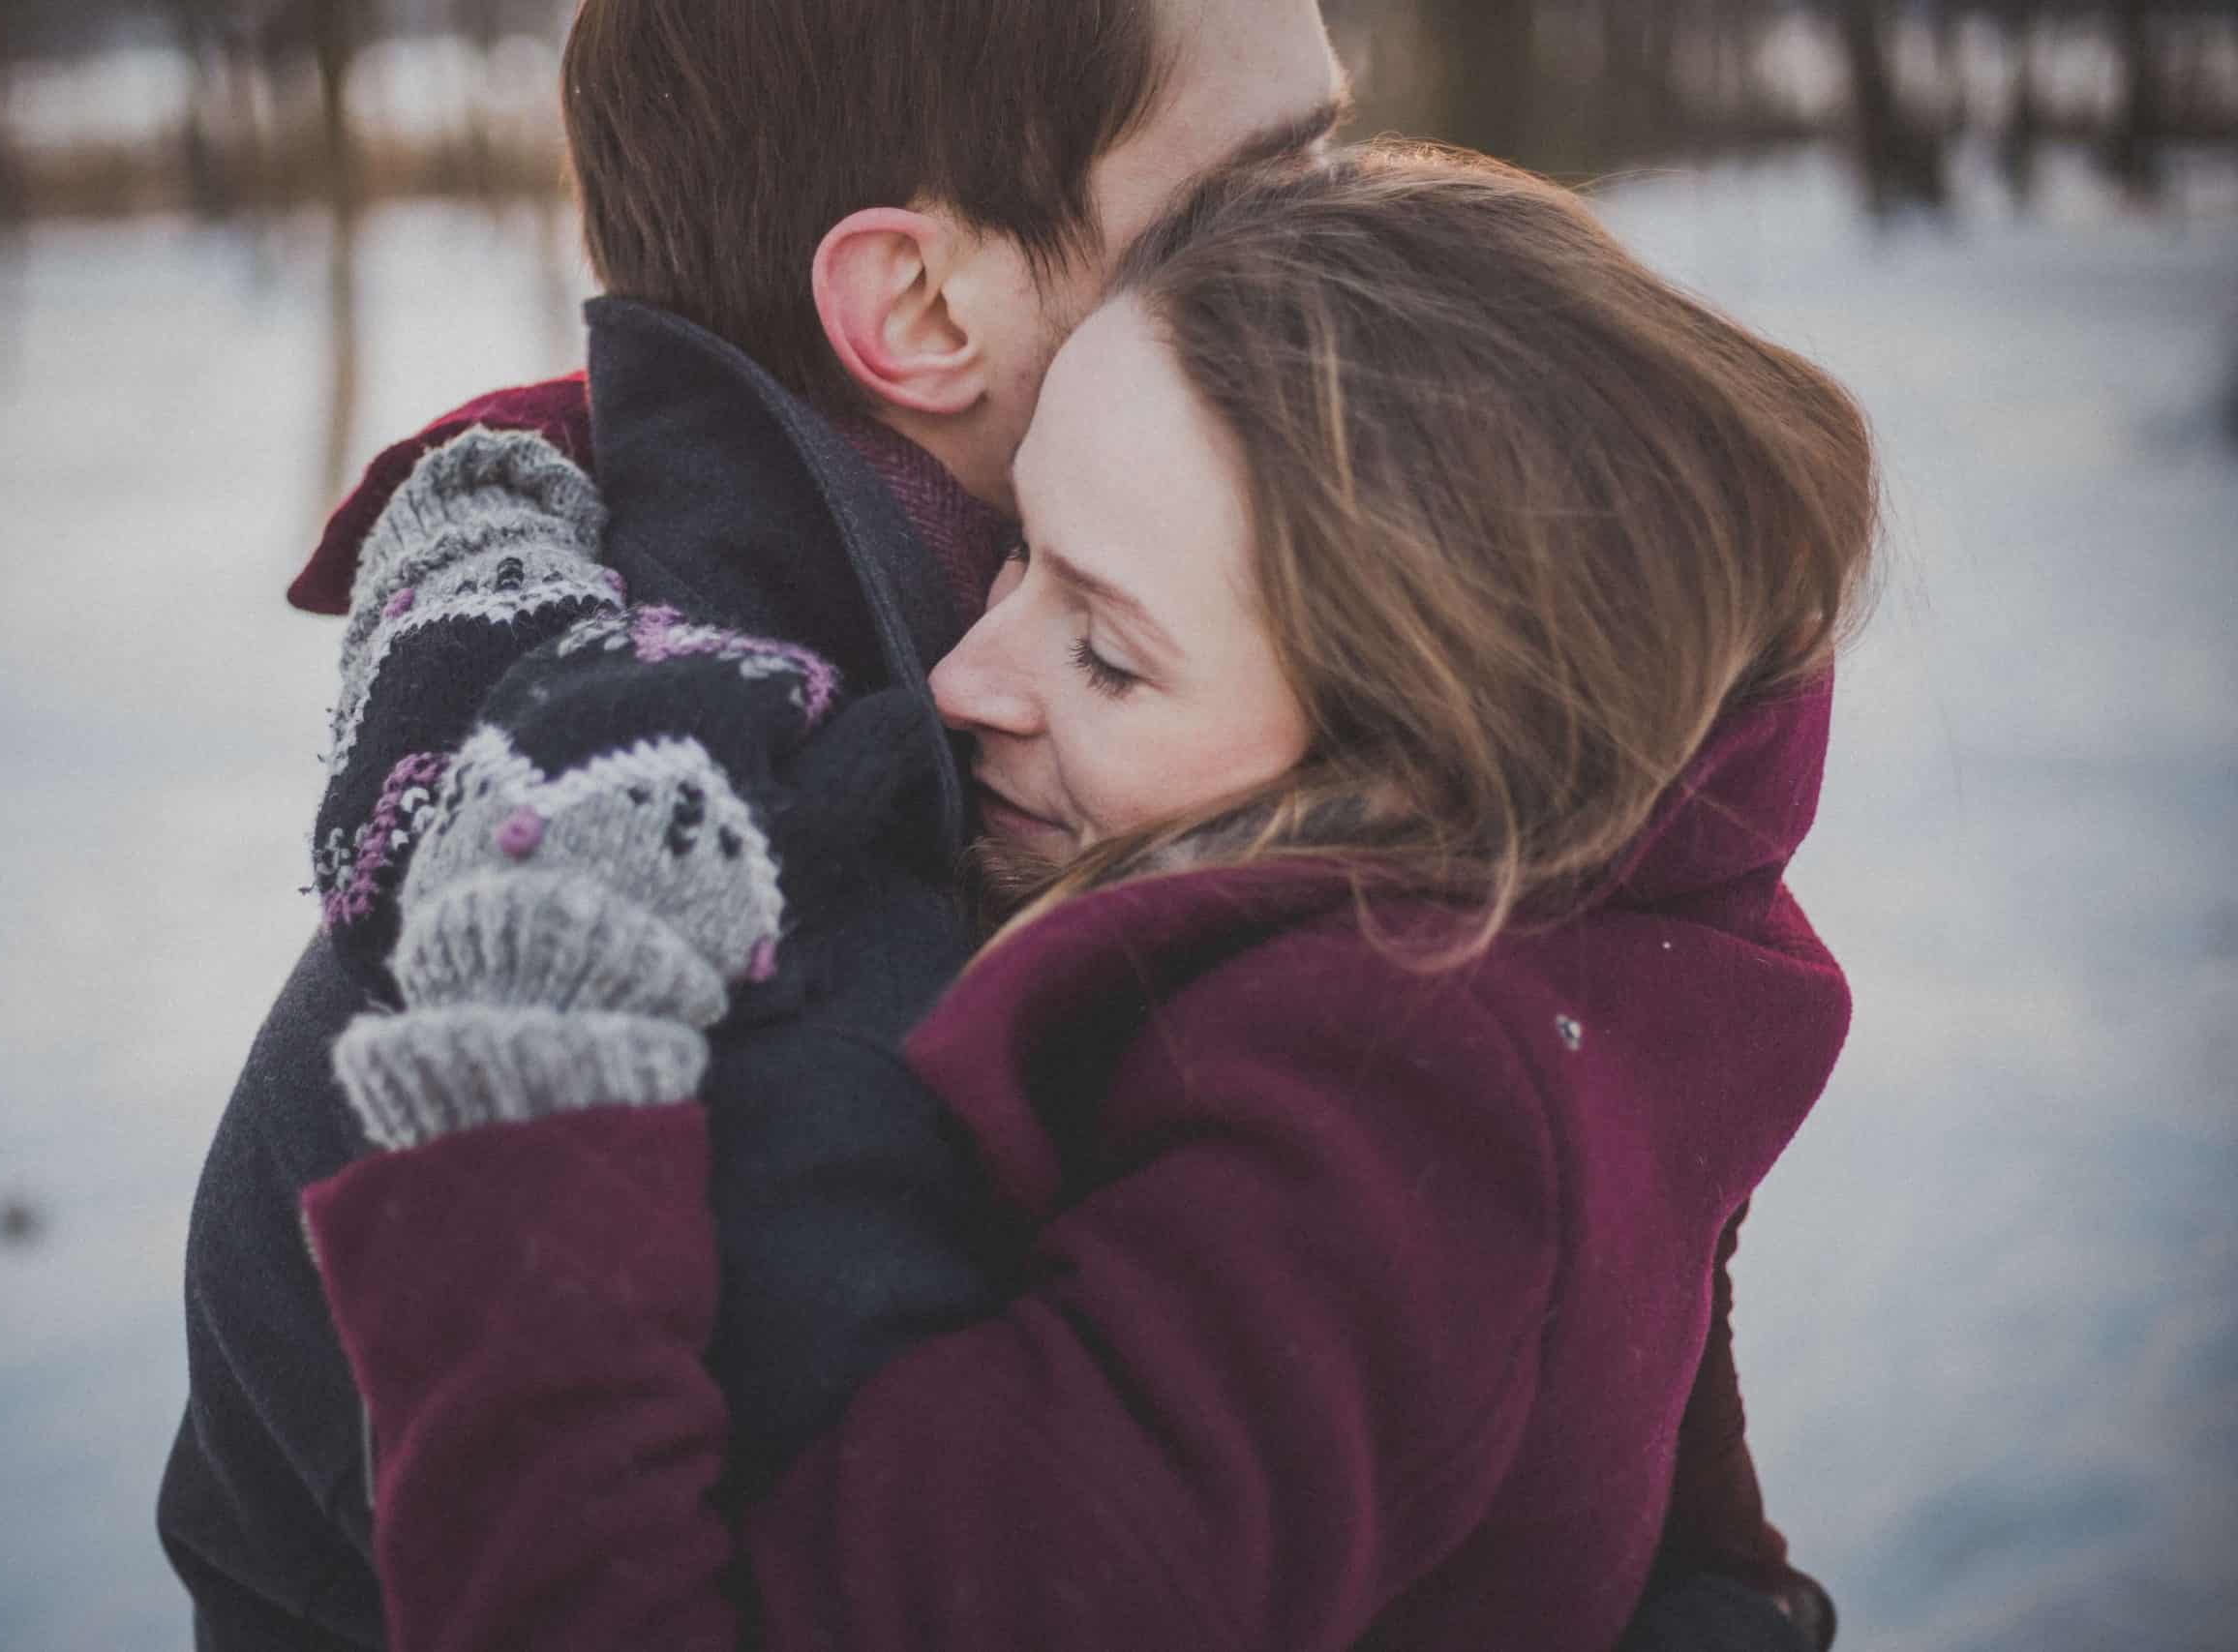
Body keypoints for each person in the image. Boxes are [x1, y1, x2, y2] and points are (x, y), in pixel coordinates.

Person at [297, 142, 1876, 1651]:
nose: (967, 677)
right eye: (1017, 549)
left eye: (1109, 654)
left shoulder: (1375, 1160)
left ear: (1421, 766)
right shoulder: (1600, 939)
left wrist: (529, 1081)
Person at [157, 4, 1350, 1645]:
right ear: (921, 305)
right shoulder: (763, 955)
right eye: (1265, 189)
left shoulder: (1026, 716)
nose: (1370, 241)